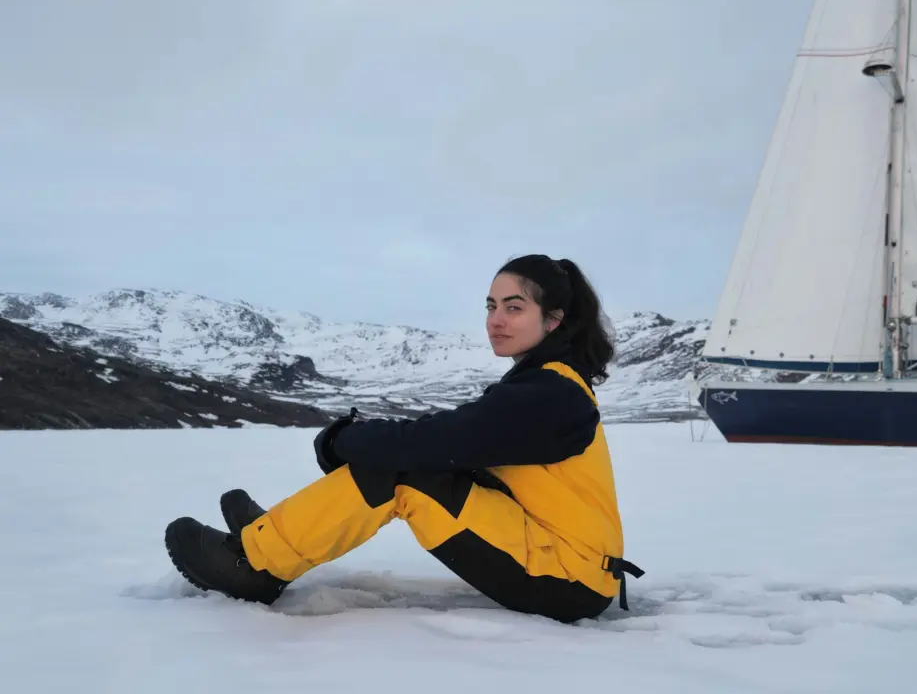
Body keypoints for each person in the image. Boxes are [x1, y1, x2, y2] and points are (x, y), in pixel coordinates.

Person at [164, 254, 644, 623]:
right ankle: (274, 536)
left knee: (401, 471)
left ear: (553, 320)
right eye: (492, 307)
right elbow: (459, 439)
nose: (495, 320)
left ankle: (258, 563)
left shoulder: (550, 393)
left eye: (514, 308)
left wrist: (342, 441)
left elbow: (436, 441)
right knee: (410, 462)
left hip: (566, 576)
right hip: (563, 560)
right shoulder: (545, 383)